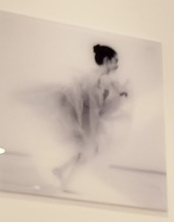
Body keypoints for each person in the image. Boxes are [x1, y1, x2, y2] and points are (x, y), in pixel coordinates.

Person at [50, 43, 129, 194]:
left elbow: (86, 95)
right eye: (115, 61)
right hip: (91, 119)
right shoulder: (106, 79)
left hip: (86, 117)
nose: (117, 64)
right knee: (90, 151)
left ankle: (61, 170)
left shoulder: (92, 75)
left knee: (88, 150)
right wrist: (122, 94)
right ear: (107, 60)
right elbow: (104, 101)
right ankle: (65, 181)